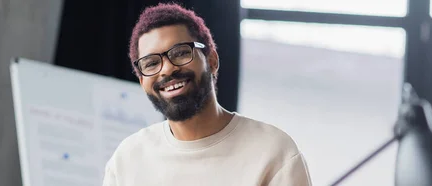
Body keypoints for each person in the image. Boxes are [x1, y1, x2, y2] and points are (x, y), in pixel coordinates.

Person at [102, 3, 311, 186]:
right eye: (151, 63)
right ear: (142, 81)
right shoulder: (127, 159)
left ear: (211, 60)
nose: (166, 69)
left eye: (181, 52)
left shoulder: (274, 153)